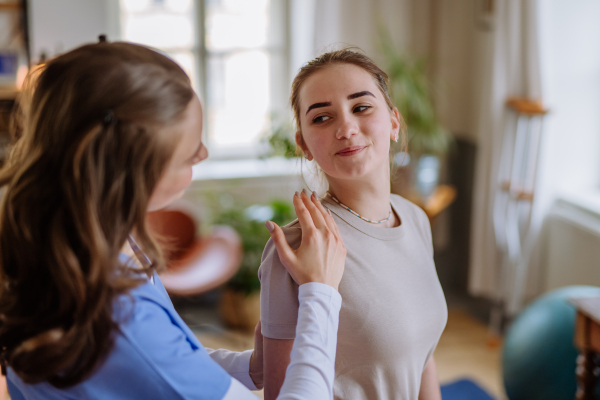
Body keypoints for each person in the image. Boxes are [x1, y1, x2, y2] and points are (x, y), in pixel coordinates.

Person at [1, 40, 347, 399]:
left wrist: (250, 367)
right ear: (132, 167)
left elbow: (162, 368)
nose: (203, 152)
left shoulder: (88, 248)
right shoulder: (120, 319)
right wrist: (320, 292)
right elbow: (147, 356)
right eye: (188, 155)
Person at [259, 48, 448, 400]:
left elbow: (421, 356)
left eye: (361, 107)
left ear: (393, 122)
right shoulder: (297, 246)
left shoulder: (415, 219)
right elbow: (281, 394)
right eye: (321, 118)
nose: (346, 128)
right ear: (303, 143)